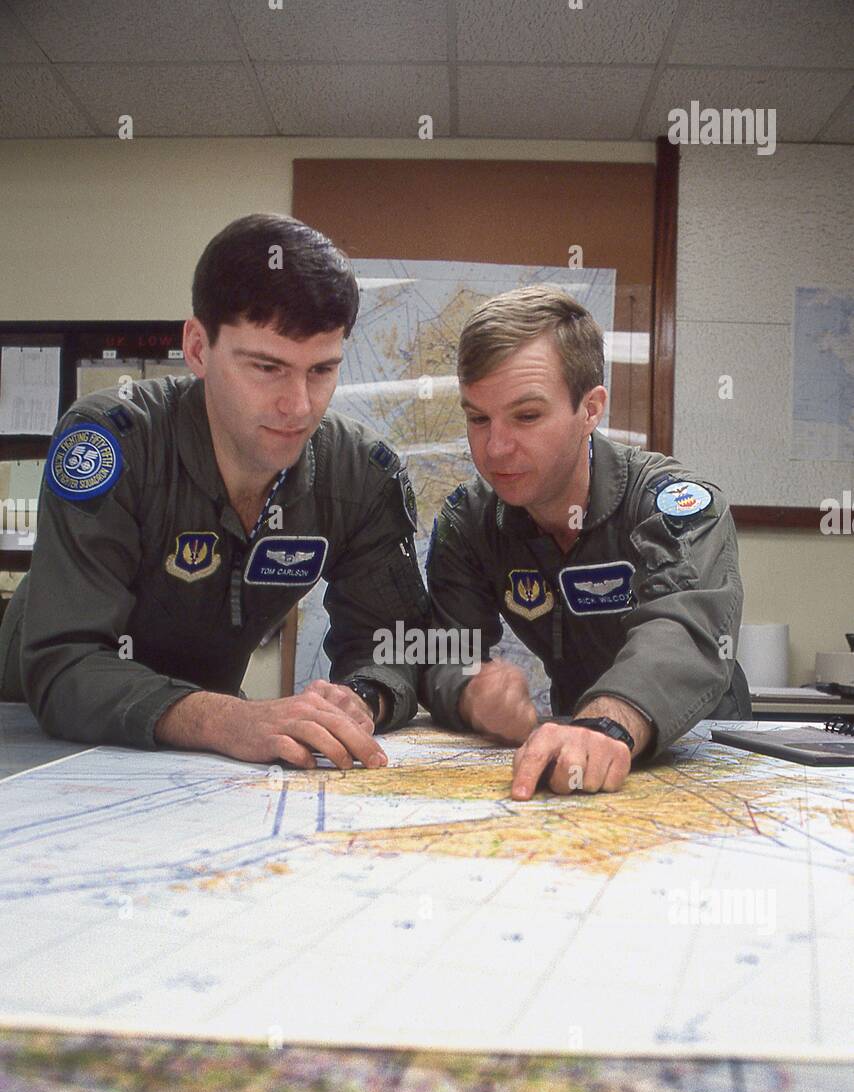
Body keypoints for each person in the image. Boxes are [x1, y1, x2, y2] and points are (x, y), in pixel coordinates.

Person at [0, 214, 429, 770]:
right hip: (33, 723)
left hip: (201, 733)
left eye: (322, 370)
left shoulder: (362, 475)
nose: (298, 406)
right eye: (267, 367)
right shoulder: (111, 441)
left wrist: (364, 696)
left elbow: (393, 643)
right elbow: (66, 663)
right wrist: (227, 718)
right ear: (198, 349)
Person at [423, 285, 749, 798]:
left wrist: (607, 723)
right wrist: (470, 688)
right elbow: (446, 647)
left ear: (591, 408)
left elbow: (684, 630)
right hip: (577, 746)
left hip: (702, 750)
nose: (496, 447)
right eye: (478, 417)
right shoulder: (470, 520)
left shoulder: (672, 502)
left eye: (527, 416)